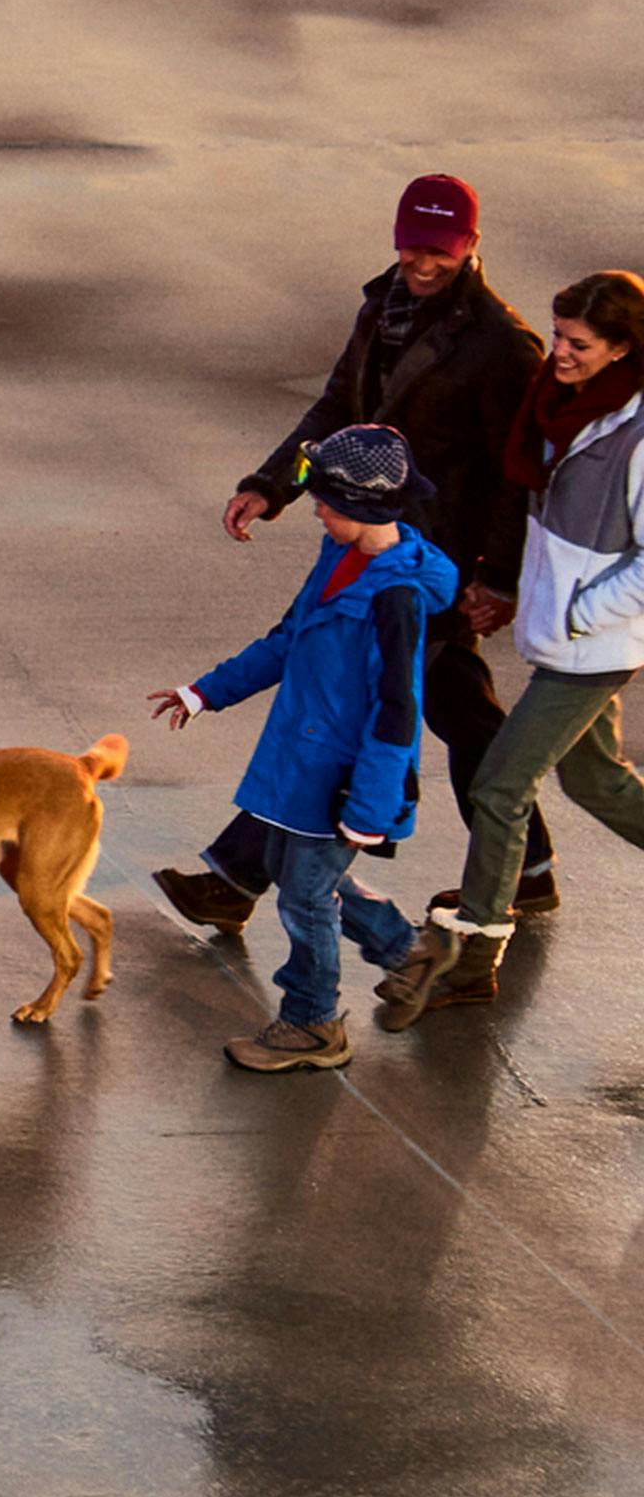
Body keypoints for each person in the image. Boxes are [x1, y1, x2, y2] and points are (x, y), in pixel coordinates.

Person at [156, 175, 547, 931]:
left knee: (343, 691)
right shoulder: (381, 309)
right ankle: (526, 866)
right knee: (453, 704)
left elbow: (518, 474)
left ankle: (237, 877)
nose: (421, 264)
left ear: (470, 246)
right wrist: (272, 485)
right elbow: (336, 411)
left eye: (439, 251)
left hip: (428, 561)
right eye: (411, 247)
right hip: (370, 536)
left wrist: (498, 577)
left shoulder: (502, 346)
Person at [377, 271, 644, 1028]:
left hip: (595, 646)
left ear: (623, 349)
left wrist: (578, 613)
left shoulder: (636, 436)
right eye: (558, 335)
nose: (559, 352)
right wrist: (518, 590)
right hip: (562, 631)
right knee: (597, 783)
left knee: (499, 787)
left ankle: (475, 952)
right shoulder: (560, 404)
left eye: (579, 343)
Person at [147, 425, 451, 1071]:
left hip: (343, 780)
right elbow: (289, 638)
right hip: (302, 762)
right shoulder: (340, 555)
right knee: (295, 876)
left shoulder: (395, 599)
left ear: (364, 507)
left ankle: (313, 1023)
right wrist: (206, 692)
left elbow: (398, 709)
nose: (316, 512)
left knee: (305, 896)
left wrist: (369, 809)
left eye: (327, 503)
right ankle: (408, 952)